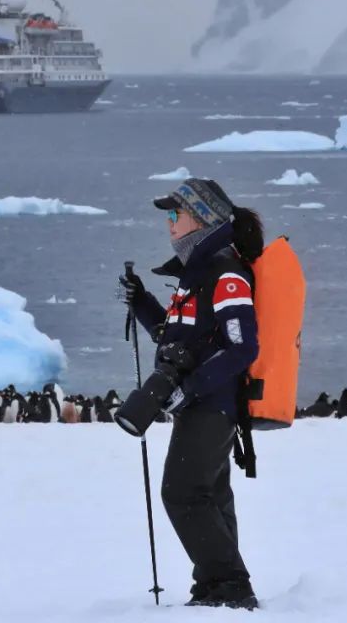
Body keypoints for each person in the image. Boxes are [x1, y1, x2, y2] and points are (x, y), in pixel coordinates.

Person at [119, 177, 264, 610]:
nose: (168, 223)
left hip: (212, 404)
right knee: (209, 494)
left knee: (182, 492)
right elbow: (177, 335)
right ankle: (214, 589)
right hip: (201, 403)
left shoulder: (225, 272)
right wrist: (141, 302)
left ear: (201, 219)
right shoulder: (197, 272)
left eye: (175, 214)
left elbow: (243, 346)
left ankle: (231, 587)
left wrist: (190, 388)